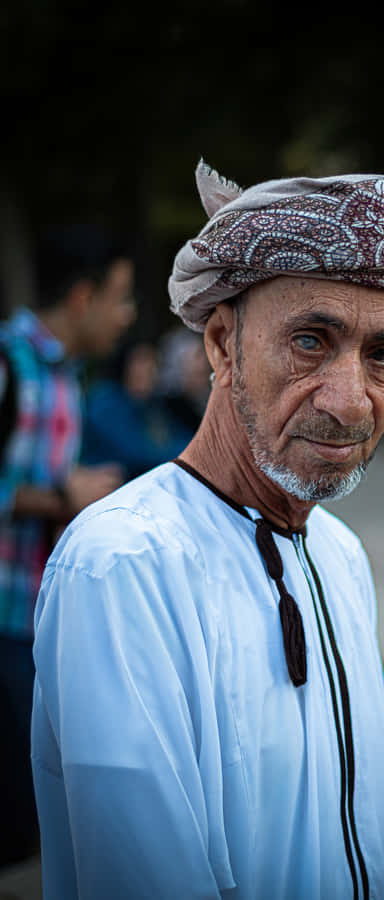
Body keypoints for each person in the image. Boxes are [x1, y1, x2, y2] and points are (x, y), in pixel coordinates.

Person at [31, 161, 384, 899]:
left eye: (382, 355)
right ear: (223, 344)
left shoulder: (339, 554)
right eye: (311, 342)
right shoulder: (123, 568)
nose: (351, 402)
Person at [0, 223, 136, 866]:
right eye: (120, 297)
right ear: (83, 297)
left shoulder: (65, 375)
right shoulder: (8, 363)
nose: (127, 315)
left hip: (35, 625)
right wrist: (63, 496)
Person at [81, 337, 195, 481]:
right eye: (141, 362)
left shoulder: (152, 404)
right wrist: (194, 452)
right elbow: (137, 453)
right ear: (125, 365)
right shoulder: (106, 401)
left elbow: (178, 435)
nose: (149, 370)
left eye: (154, 363)